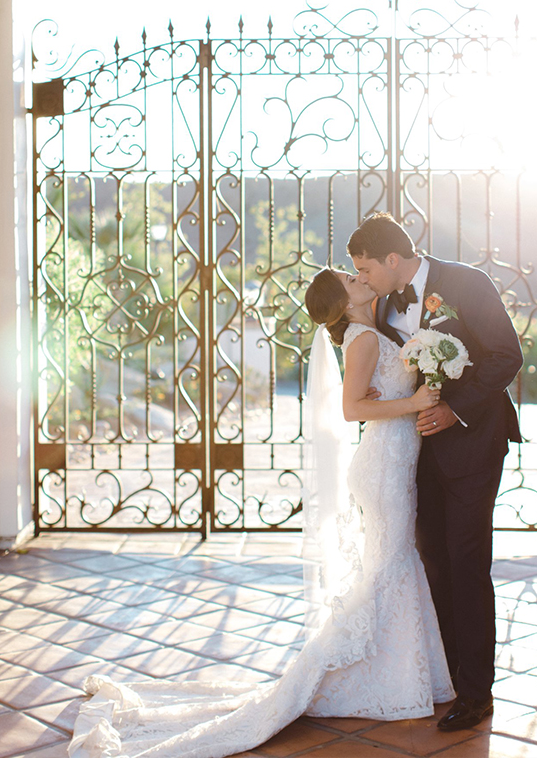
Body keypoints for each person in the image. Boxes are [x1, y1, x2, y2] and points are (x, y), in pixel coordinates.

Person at [68, 266, 454, 758]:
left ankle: (398, 676)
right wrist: (415, 401)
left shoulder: (371, 332)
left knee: (390, 565)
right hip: (384, 464)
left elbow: (367, 395)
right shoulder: (363, 340)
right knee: (391, 565)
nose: (361, 278)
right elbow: (352, 410)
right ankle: (369, 678)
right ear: (346, 301)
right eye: (351, 280)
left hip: (393, 459)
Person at [347, 212, 524, 732]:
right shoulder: (379, 306)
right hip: (414, 454)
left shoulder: (467, 283)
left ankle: (476, 693)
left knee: (468, 564)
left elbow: (506, 356)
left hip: (472, 444)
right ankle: (446, 677)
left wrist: (455, 407)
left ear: (393, 260)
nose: (362, 278)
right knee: (433, 565)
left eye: (365, 268)